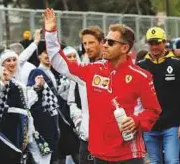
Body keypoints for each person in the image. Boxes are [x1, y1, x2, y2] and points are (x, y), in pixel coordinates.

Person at [43, 8, 161, 164]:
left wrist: (136, 121)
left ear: (124, 48)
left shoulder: (141, 76)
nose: (104, 45)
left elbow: (153, 110)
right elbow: (60, 63)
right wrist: (51, 34)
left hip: (129, 154)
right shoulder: (93, 70)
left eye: (110, 42)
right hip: (100, 153)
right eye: (105, 40)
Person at [138, 27, 180, 164]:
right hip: (150, 125)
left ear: (164, 42)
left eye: (157, 43)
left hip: (172, 124)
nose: (154, 46)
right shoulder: (140, 66)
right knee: (155, 161)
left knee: (172, 161)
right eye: (151, 43)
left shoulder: (178, 64)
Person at [68, 25, 104, 164]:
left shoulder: (111, 66)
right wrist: (79, 123)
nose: (87, 47)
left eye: (91, 43)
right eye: (85, 43)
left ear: (101, 43)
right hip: (87, 138)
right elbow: (71, 101)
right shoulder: (80, 67)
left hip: (110, 139)